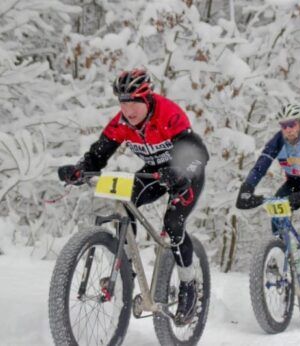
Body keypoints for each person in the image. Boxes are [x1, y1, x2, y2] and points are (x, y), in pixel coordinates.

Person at [58, 68, 209, 325]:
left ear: (147, 98)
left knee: (173, 224)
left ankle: (188, 284)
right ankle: (125, 267)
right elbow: (98, 154)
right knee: (125, 203)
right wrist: (80, 170)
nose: (129, 110)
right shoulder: (121, 122)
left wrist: (181, 173)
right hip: (154, 173)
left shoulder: (168, 114)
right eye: (123, 102)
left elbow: (200, 154)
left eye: (134, 102)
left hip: (185, 173)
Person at [235, 104, 300, 314]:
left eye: (291, 124)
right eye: (284, 126)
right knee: (276, 204)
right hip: (295, 183)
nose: (287, 130)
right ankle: (278, 259)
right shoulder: (278, 141)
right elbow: (261, 165)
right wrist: (247, 187)